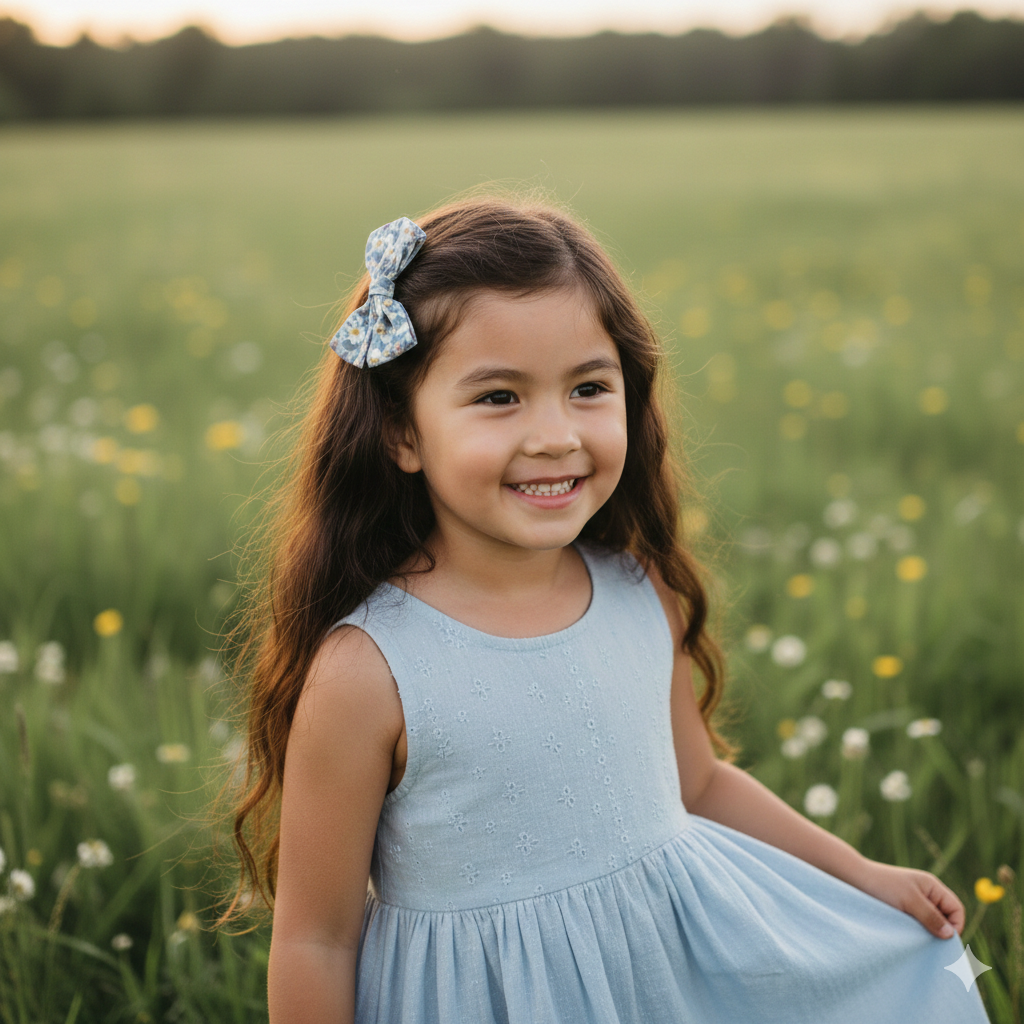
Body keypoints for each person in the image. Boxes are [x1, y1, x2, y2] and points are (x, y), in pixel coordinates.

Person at [222, 196, 991, 1023]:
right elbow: (317, 940)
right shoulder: (369, 669)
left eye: (588, 387)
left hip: (658, 983)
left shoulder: (634, 589)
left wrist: (863, 878)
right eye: (498, 398)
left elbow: (697, 783)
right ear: (401, 434)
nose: (556, 435)